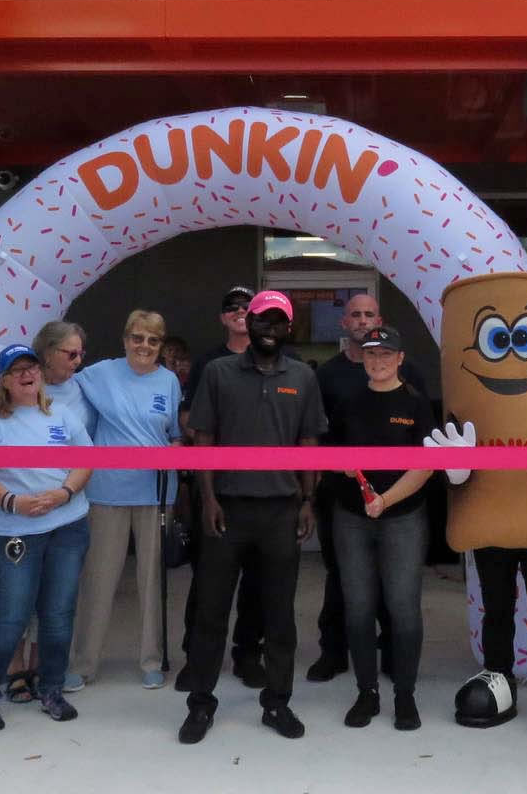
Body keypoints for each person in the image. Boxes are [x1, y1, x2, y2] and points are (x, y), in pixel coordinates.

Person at [177, 290, 324, 744]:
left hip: (281, 511)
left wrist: (307, 501)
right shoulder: (219, 372)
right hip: (228, 508)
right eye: (262, 319)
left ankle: (277, 702)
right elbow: (203, 438)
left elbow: (309, 443)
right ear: (250, 323)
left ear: (288, 328)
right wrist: (208, 499)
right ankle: (201, 704)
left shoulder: (302, 376)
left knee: (278, 616)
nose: (269, 329)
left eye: (278, 321)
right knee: (211, 612)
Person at [0, 344, 94, 733]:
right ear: (4, 381)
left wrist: (64, 493)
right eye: (16, 370)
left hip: (67, 527)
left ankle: (51, 690)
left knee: (58, 616)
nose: (26, 375)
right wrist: (12, 502)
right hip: (13, 533)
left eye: (31, 367)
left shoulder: (62, 413)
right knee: (10, 619)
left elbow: (86, 459)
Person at [308, 291, 425, 683]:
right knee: (344, 585)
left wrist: (390, 497)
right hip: (344, 505)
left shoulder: (413, 385)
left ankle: (395, 664)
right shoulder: (331, 380)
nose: (362, 320)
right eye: (355, 315)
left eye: (368, 314)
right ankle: (339, 659)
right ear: (345, 324)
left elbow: (426, 454)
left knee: (398, 593)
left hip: (401, 508)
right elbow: (321, 441)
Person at [325, 326, 434, 730]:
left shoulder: (417, 404)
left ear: (400, 358)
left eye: (386, 354)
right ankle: (366, 692)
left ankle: (405, 695)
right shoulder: (349, 402)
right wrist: (340, 467)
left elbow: (425, 466)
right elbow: (331, 453)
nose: (378, 360)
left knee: (403, 608)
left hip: (402, 518)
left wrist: (385, 500)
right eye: (371, 353)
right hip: (351, 519)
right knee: (358, 608)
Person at [70, 310, 182, 691]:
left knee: (152, 581)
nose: (144, 346)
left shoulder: (169, 381)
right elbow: (54, 390)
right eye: (137, 337)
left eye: (153, 340)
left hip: (155, 492)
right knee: (99, 579)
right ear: (125, 339)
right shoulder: (99, 373)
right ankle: (83, 663)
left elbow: (176, 434)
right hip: (107, 490)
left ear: (160, 345)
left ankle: (151, 660)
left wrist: (175, 452)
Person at [177, 285, 269, 691]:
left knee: (258, 580)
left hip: (264, 489)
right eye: (231, 306)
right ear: (222, 317)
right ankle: (196, 659)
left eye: (247, 306)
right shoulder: (208, 363)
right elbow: (188, 418)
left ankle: (248, 654)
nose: (239, 311)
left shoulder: (277, 360)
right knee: (207, 579)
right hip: (215, 487)